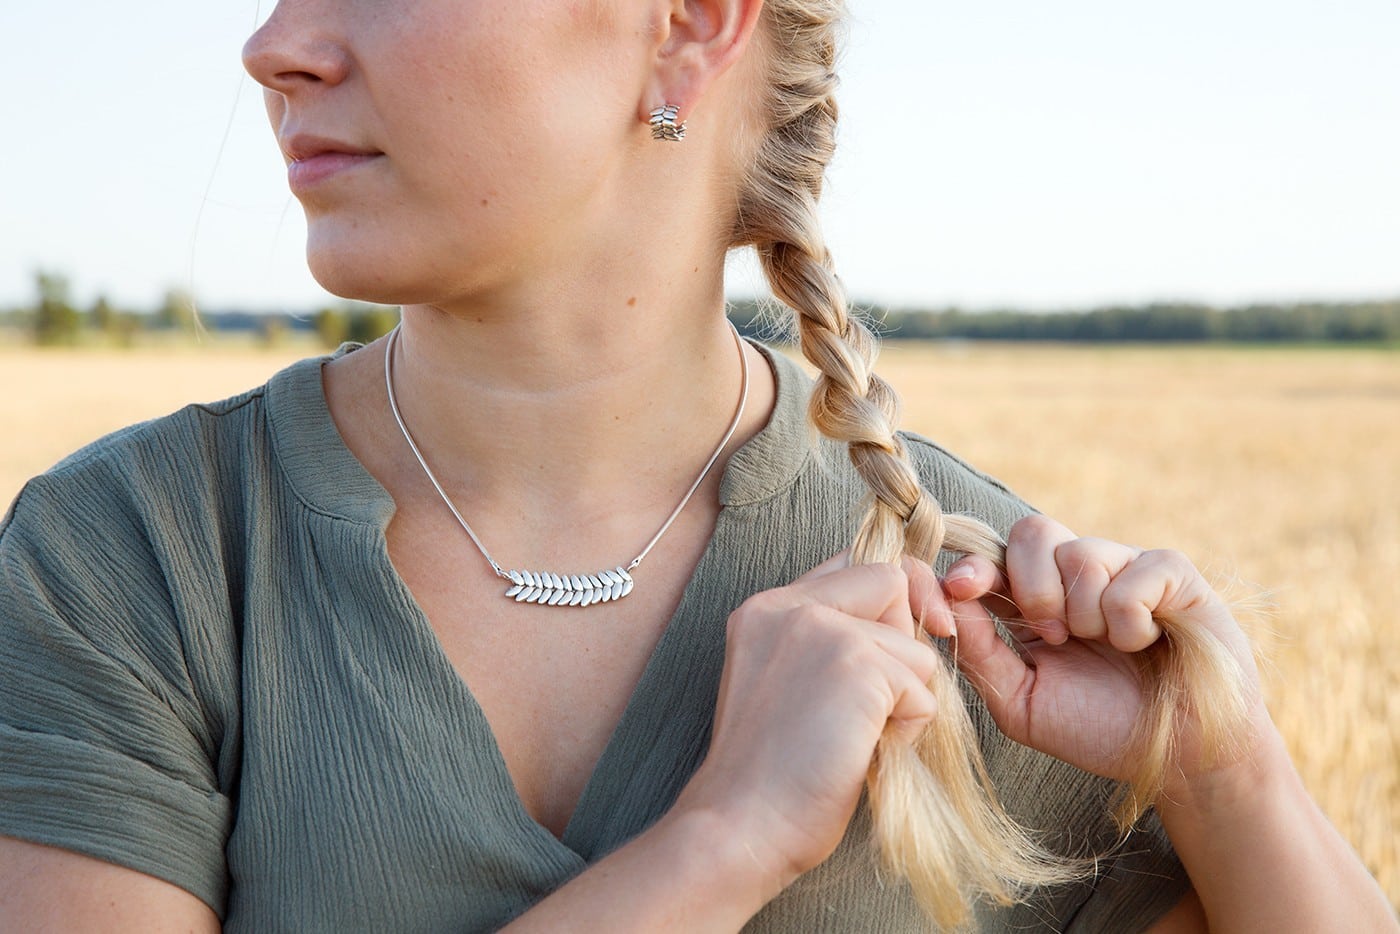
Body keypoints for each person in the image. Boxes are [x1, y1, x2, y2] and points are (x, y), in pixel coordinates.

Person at [0, 0, 1394, 931]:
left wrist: (1222, 777)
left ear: (687, 29)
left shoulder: (989, 623)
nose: (277, 41)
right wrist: (718, 841)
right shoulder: (132, 560)